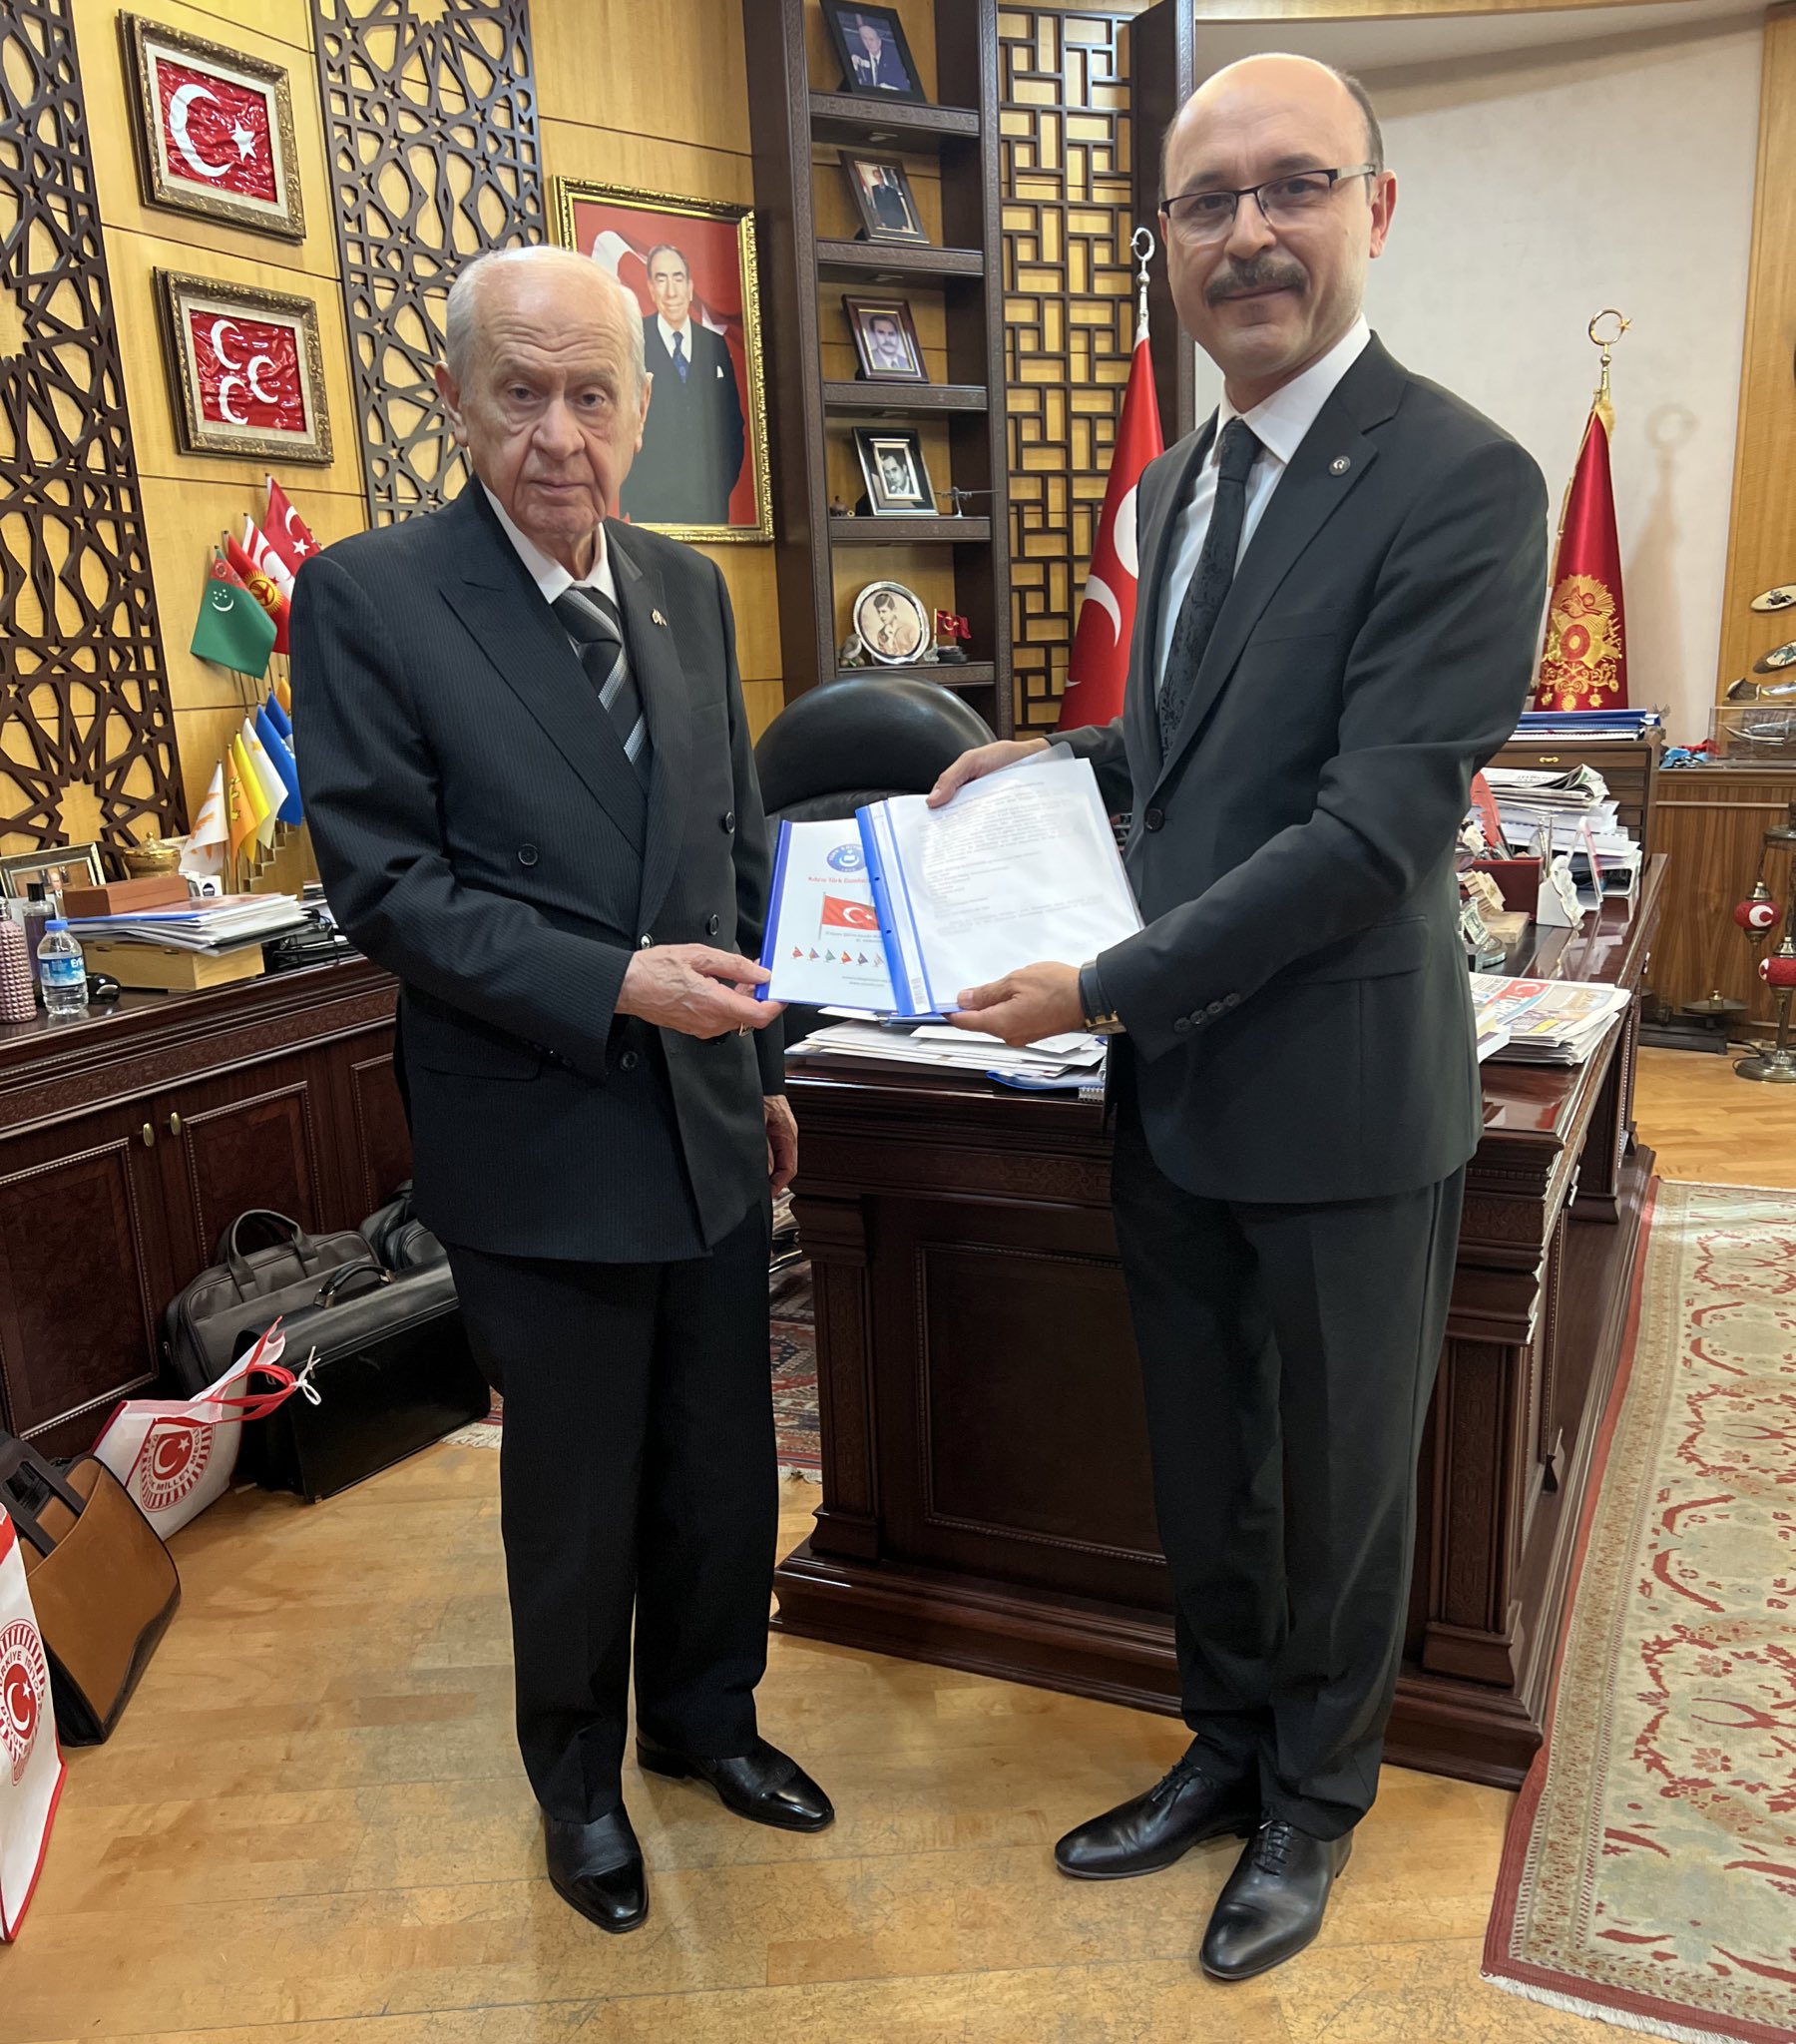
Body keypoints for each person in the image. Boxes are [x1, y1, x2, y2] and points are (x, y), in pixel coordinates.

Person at [928, 56, 1547, 1981]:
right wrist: (1067, 759)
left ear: (1377, 208)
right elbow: (1203, 753)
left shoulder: (1463, 480)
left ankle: (1316, 1800)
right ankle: (1221, 1745)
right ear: (1167, 240)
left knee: (1344, 1485)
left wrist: (1102, 984)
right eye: (1209, 201)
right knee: (1206, 1461)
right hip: (1183, 1090)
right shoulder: (1179, 481)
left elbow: (1369, 828)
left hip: (1344, 1093)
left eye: (1294, 186)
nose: (1250, 233)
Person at [291, 245, 831, 1940]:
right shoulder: (372, 597)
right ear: (454, 398)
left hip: (705, 1113)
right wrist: (614, 982)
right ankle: (580, 1783)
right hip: (539, 1124)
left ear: (641, 408)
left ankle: (707, 1721)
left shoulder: (685, 589)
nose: (558, 433)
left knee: (721, 1464)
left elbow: (735, 852)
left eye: (592, 395)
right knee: (578, 1491)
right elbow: (389, 890)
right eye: (519, 391)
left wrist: (759, 1062)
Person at [619, 244, 745, 528]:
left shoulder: (714, 345)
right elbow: (621, 422)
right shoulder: (633, 341)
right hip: (649, 509)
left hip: (709, 508)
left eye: (678, 278)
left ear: (690, 287)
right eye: (661, 279)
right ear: (651, 288)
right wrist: (636, 493)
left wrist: (719, 488)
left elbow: (733, 426)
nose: (671, 292)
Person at [846, 14, 907, 93]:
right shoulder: (856, 53)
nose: (868, 43)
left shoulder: (894, 58)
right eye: (864, 38)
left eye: (871, 39)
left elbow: (903, 88)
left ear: (879, 40)